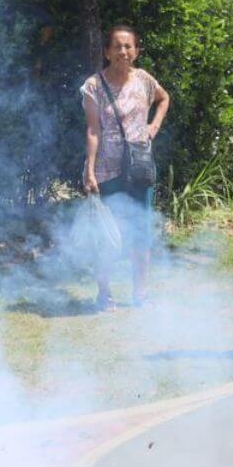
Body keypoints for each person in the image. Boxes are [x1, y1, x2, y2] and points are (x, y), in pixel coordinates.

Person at [81, 25, 170, 309]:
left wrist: (153, 126)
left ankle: (140, 294)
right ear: (107, 52)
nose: (123, 51)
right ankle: (104, 294)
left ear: (137, 51)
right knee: (108, 235)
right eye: (117, 46)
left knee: (141, 233)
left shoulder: (144, 80)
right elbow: (93, 131)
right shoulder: (94, 86)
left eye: (128, 46)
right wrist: (90, 170)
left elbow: (164, 98)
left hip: (139, 169)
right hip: (107, 171)